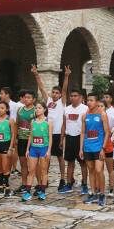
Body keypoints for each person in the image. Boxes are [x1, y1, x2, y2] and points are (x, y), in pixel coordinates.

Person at [32, 64, 71, 193]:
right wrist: (36, 74)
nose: (54, 94)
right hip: (46, 133)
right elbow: (41, 87)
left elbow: (65, 89)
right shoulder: (47, 101)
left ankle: (62, 179)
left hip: (57, 133)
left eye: (57, 93)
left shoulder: (62, 102)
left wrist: (66, 76)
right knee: (45, 157)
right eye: (53, 92)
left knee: (60, 157)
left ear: (60, 95)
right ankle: (44, 180)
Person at [79, 93, 110, 206]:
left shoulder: (102, 114)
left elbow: (107, 132)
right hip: (87, 147)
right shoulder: (84, 115)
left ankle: (102, 194)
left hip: (98, 148)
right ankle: (93, 193)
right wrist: (81, 148)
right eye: (88, 100)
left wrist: (103, 148)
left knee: (99, 170)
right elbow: (83, 133)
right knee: (91, 170)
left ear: (97, 102)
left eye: (91, 100)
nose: (89, 102)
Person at [22, 102, 53, 201]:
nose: (37, 110)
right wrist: (27, 149)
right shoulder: (33, 121)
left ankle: (42, 192)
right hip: (33, 149)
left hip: (44, 148)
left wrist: (49, 151)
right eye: (36, 108)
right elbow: (30, 136)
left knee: (43, 171)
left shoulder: (48, 121)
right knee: (31, 170)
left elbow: (50, 137)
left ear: (44, 109)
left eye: (39, 108)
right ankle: (27, 192)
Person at [60, 89, 89, 194]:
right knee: (70, 162)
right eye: (71, 95)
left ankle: (85, 184)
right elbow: (64, 124)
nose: (72, 97)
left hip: (80, 139)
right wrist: (62, 139)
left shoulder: (86, 109)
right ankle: (68, 184)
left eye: (75, 95)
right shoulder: (66, 109)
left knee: (83, 163)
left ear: (80, 97)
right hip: (69, 138)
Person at [0, 101, 15, 198]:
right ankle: (0, 187)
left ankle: (7, 187)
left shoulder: (10, 120)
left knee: (5, 168)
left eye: (2, 108)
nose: (0, 110)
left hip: (5, 144)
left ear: (7, 109)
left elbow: (13, 134)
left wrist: (10, 148)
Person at [13, 90, 36, 195]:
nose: (26, 99)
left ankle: (39, 184)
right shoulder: (20, 110)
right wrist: (15, 138)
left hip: (32, 141)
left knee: (34, 165)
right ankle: (24, 184)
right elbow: (17, 124)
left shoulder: (36, 111)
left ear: (33, 99)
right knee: (23, 163)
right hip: (21, 139)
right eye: (25, 97)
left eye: (29, 97)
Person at [98, 98, 114, 197]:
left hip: (108, 146)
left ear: (105, 107)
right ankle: (99, 187)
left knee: (110, 168)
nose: (100, 108)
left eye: (102, 106)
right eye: (98, 106)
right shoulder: (95, 117)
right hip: (97, 145)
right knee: (98, 169)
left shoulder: (110, 117)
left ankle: (111, 188)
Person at [0, 87, 20, 175]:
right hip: (2, 130)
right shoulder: (0, 105)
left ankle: (14, 168)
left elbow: (15, 119)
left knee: (13, 148)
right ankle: (4, 169)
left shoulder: (14, 105)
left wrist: (14, 132)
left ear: (7, 95)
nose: (0, 95)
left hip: (11, 128)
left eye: (2, 93)